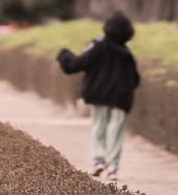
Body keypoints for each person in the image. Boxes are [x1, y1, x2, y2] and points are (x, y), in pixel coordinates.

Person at [57, 12, 140, 182]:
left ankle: (98, 160)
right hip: (121, 98)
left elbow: (79, 62)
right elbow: (135, 78)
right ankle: (113, 168)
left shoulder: (98, 44)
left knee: (99, 126)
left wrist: (64, 55)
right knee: (116, 131)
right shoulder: (127, 53)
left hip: (99, 94)